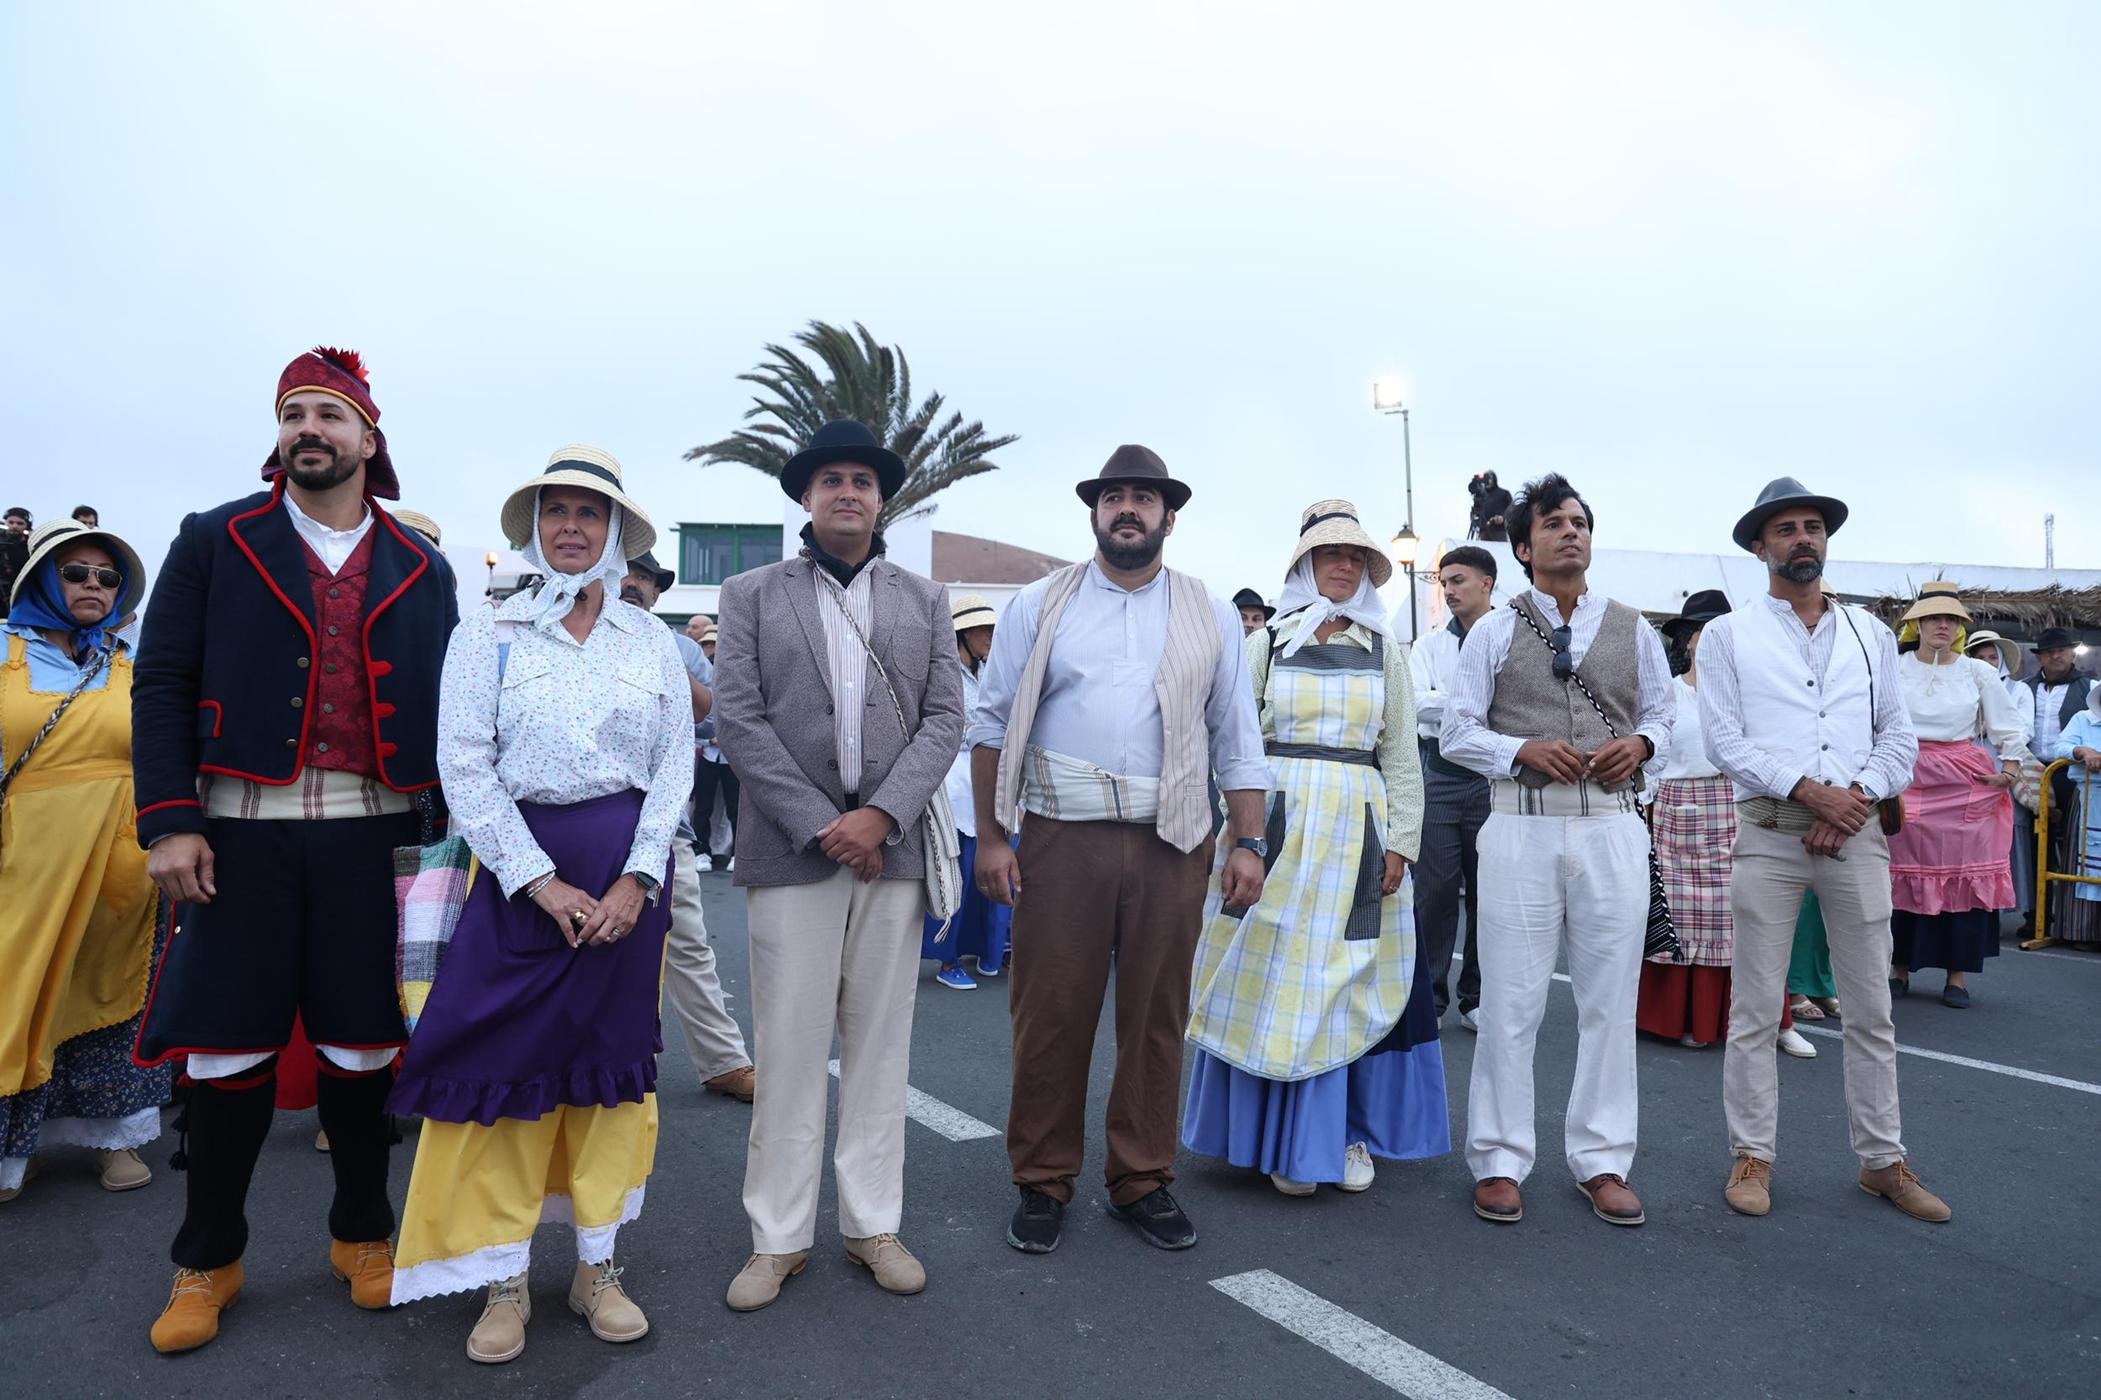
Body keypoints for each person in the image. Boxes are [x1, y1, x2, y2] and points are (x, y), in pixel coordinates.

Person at [132, 346, 459, 1353]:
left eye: (328, 414)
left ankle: (362, 1231)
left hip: (378, 831)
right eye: (293, 414)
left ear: (368, 437)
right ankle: (208, 1257)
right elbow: (162, 679)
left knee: (365, 1045)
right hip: (239, 832)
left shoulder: (422, 565)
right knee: (227, 1047)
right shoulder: (215, 537)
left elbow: (455, 710)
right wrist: (170, 818)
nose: (308, 429)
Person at [388, 448, 687, 1362]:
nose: (570, 527)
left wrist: (637, 879)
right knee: (504, 1077)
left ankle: (598, 1267)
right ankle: (503, 1277)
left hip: (626, 882)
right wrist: (537, 879)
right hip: (520, 879)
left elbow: (674, 766)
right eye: (555, 511)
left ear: (615, 533)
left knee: (608, 1080)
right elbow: (463, 763)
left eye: (589, 514)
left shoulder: (649, 640)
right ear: (533, 528)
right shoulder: (488, 632)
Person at [970, 445, 1268, 1256]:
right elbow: (991, 722)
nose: (1126, 509)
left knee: (1156, 1016)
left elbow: (1235, 734)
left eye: (1142, 497)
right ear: (1095, 512)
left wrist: (1247, 841)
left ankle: (1140, 1177)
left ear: (1169, 517)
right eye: (1112, 497)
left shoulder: (1208, 611)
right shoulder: (1040, 603)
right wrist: (992, 836)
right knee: (1050, 1012)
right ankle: (1042, 1180)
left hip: (1175, 838)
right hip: (1060, 835)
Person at [713, 419, 963, 1312]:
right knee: (787, 1048)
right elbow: (738, 720)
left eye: (862, 480)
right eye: (831, 481)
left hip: (891, 851)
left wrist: (881, 815)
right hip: (794, 851)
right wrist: (826, 825)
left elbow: (945, 718)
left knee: (880, 1046)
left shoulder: (925, 599)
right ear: (807, 498)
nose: (847, 492)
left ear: (881, 499)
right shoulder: (750, 594)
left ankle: (871, 1225)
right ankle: (776, 1237)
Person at [1699, 477, 1947, 1223]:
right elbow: (1723, 741)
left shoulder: (1871, 634)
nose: (1802, 538)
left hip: (1856, 834)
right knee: (1754, 1008)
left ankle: (1882, 1160)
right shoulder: (1728, 635)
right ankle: (1751, 1154)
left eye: (1812, 526)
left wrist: (1854, 798)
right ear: (1759, 547)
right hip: (1770, 832)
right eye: (1786, 529)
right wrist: (1812, 792)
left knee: (1870, 1008)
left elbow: (1897, 736)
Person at [1183, 500, 1441, 1197]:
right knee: (1265, 971)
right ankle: (1267, 1137)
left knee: (1346, 980)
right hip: (1275, 827)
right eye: (1331, 554)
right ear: (1305, 564)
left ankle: (1338, 1133)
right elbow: (1232, 740)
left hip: (1358, 832)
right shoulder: (1265, 644)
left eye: (1355, 556)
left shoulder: (1385, 650)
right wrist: (1236, 832)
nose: (1343, 565)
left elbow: (1401, 754)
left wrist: (1403, 842)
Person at [1442, 473, 1668, 1229]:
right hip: (1520, 823)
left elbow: (1668, 719)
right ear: (1522, 546)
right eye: (1553, 524)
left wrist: (1641, 744)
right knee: (1510, 1001)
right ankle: (1499, 1160)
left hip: (1612, 826)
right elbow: (1456, 731)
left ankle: (1602, 1160)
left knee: (1610, 1002)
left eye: (1579, 522)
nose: (1571, 532)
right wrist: (1520, 750)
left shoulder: (1634, 628)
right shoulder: (1492, 630)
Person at [1, 520, 170, 1203]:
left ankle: (114, 1139)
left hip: (119, 858)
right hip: (24, 857)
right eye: (75, 573)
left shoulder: (131, 662)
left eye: (107, 577)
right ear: (42, 580)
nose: (93, 586)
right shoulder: (4, 649)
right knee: (16, 995)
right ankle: (13, 1150)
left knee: (110, 991)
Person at [626, 553, 754, 1104]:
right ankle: (598, 1067)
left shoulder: (678, 648)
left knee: (688, 941)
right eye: (626, 572)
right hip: (581, 821)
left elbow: (715, 717)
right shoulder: (570, 633)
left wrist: (661, 656)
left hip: (664, 821)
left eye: (645, 578)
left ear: (658, 593)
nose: (633, 583)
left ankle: (723, 1061)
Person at [1886, 589, 2026, 1008]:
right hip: (1905, 774)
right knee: (1899, 875)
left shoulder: (1977, 672)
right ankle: (1897, 968)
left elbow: (2008, 725)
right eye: (1933, 618)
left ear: (1961, 627)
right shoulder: (1894, 666)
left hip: (1963, 779)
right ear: (1918, 624)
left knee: (1964, 878)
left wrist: (2009, 771)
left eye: (1951, 619)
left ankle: (1957, 975)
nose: (1942, 625)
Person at [1409, 544, 1498, 1029]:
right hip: (1440, 775)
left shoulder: (1512, 637)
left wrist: (1447, 703)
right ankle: (1429, 998)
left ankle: (1477, 997)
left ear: (1487, 583)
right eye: (1444, 582)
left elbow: (1511, 708)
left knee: (1490, 894)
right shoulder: (1428, 646)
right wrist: (1473, 704)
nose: (1448, 590)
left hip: (1492, 780)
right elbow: (1413, 702)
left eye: (1457, 580)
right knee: (1434, 892)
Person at [923, 594, 1010, 990]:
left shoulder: (990, 672)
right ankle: (947, 958)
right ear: (961, 634)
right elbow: (941, 726)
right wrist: (981, 733)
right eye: (982, 630)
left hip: (987, 782)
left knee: (988, 873)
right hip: (953, 786)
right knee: (953, 874)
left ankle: (989, 950)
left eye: (992, 629)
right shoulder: (942, 675)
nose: (990, 636)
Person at [2021, 627, 2094, 942]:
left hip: (2074, 774)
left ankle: (2074, 922)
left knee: (2076, 847)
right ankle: (2036, 916)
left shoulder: (2091, 688)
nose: (2057, 655)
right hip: (2033, 772)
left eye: (2062, 650)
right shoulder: (2024, 689)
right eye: (2050, 651)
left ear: (2073, 653)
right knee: (2034, 846)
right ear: (2039, 657)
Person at [2048, 686, 2101, 944]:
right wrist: (2082, 751)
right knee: (2081, 862)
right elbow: (2060, 747)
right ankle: (2081, 932)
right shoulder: (2083, 718)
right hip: (2087, 798)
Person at [1467, 472, 1511, 542]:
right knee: (1481, 548)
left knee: (1499, 548)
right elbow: (1476, 511)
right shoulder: (1481, 495)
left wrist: (1503, 518)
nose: (1486, 481)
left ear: (1494, 480)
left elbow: (1512, 510)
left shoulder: (1504, 493)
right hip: (1483, 531)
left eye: (1488, 479)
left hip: (1499, 531)